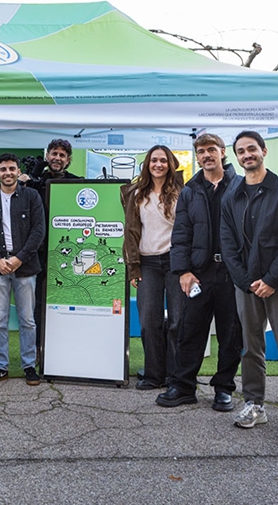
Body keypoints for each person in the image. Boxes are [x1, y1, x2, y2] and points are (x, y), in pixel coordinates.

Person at [220, 130, 278, 440]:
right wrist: (246, 282)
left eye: (252, 149)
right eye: (241, 151)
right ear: (236, 157)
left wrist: (272, 280)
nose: (247, 155)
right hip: (247, 286)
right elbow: (228, 245)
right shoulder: (232, 196)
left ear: (264, 151)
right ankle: (255, 405)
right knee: (250, 348)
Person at [155, 134, 243, 411]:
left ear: (222, 152)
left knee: (231, 333)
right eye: (201, 151)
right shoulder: (190, 190)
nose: (206, 155)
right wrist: (183, 271)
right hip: (199, 274)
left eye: (211, 150)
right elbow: (181, 234)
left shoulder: (241, 186)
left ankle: (224, 388)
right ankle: (183, 387)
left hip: (231, 273)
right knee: (190, 331)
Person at [120, 145, 185, 390]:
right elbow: (130, 232)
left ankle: (175, 376)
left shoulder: (182, 192)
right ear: (147, 164)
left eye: (163, 160)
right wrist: (133, 267)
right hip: (147, 263)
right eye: (154, 160)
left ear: (171, 164)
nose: (158, 164)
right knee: (149, 322)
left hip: (175, 262)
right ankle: (154, 375)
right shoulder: (136, 193)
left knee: (178, 321)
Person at [0, 153, 45, 386]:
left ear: (18, 171)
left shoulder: (31, 196)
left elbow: (38, 231)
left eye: (12, 168)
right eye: (3, 169)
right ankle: (0, 366)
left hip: (25, 267)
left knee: (27, 320)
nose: (8, 173)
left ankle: (29, 365)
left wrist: (19, 259)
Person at [18, 138, 83, 341]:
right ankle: (38, 346)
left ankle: (67, 342)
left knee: (68, 297)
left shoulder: (77, 182)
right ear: (47, 156)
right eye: (54, 153)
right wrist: (24, 182)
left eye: (62, 155)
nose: (57, 158)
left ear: (68, 160)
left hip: (67, 252)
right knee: (37, 301)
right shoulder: (33, 180)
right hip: (37, 252)